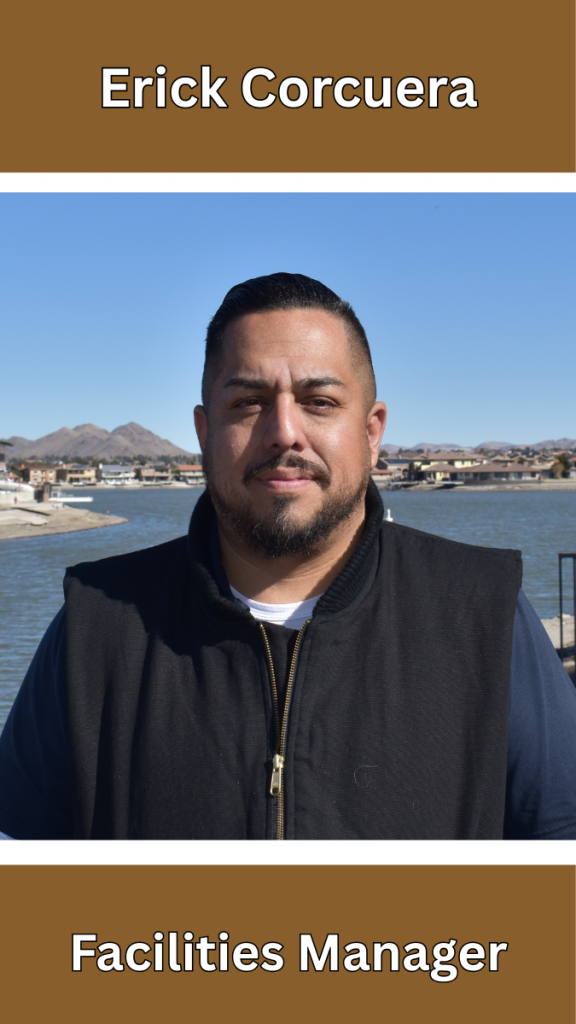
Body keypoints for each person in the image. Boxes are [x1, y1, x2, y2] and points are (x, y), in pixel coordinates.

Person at [1, 272, 576, 840]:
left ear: (372, 432)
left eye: (319, 402)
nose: (284, 432)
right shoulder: (95, 625)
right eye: (248, 402)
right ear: (203, 431)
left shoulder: (485, 612)